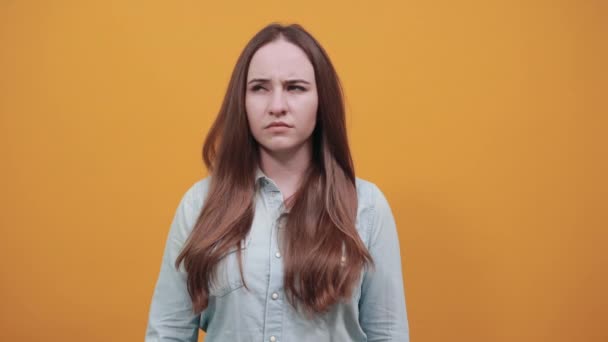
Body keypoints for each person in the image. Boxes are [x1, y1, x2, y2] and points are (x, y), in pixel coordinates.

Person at [145, 22, 409, 342]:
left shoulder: (366, 207)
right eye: (260, 88)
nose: (277, 106)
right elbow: (167, 333)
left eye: (295, 87)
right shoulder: (199, 205)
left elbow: (388, 334)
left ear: (321, 101)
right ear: (241, 101)